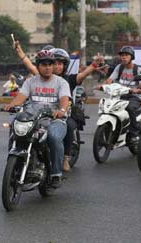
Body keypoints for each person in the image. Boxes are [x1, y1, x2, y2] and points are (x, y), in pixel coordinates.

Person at [14, 41, 104, 172]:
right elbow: (29, 65)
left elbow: (85, 74)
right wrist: (20, 51)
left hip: (64, 112)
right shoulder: (40, 77)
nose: (56, 66)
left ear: (64, 66)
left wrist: (95, 63)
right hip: (42, 111)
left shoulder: (69, 79)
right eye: (53, 63)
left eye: (60, 64)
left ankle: (65, 158)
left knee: (70, 125)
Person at [3, 50, 71, 188]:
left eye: (50, 64)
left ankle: (56, 173)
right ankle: (14, 162)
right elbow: (21, 97)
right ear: (38, 66)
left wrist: (62, 110)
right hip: (32, 118)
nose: (47, 67)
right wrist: (11, 105)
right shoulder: (30, 82)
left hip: (54, 119)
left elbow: (65, 99)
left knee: (53, 137)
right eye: (44, 64)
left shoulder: (61, 82)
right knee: (15, 128)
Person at [99, 46, 141, 145]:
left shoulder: (138, 69)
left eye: (126, 55)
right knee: (109, 106)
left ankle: (134, 134)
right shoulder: (119, 67)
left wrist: (137, 90)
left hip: (135, 97)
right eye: (122, 55)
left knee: (129, 107)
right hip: (121, 95)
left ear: (131, 57)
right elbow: (110, 80)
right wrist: (103, 85)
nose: (123, 57)